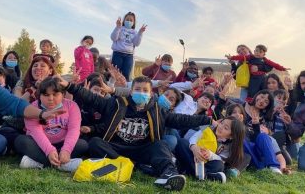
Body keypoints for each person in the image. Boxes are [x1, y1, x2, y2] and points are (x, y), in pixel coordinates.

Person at [63, 75, 213, 191]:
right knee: (95, 143)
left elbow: (183, 120)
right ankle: (134, 165)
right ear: (131, 91)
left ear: (150, 93)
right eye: (137, 89)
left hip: (141, 149)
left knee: (160, 145)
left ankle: (169, 174)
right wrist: (69, 85)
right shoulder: (116, 104)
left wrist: (208, 120)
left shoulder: (157, 110)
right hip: (116, 147)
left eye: (145, 90)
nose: (141, 93)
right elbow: (92, 98)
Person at [15, 77, 88, 172]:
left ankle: (38, 163)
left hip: (62, 143)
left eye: (55, 94)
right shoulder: (33, 107)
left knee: (83, 145)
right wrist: (49, 151)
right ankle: (62, 165)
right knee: (21, 141)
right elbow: (36, 132)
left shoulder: (72, 106)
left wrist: (66, 150)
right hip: (39, 145)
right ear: (39, 95)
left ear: (63, 94)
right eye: (46, 95)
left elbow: (74, 130)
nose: (50, 98)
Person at [174, 117, 246, 183]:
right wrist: (194, 148)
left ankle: (189, 171)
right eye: (221, 123)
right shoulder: (208, 129)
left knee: (219, 165)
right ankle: (206, 176)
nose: (221, 127)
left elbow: (221, 159)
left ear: (232, 136)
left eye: (226, 128)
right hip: (191, 153)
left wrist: (210, 155)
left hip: (205, 162)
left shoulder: (228, 147)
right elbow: (194, 137)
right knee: (182, 142)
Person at [110, 12, 147, 81]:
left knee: (126, 74)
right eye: (127, 19)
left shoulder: (135, 32)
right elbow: (113, 38)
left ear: (133, 23)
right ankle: (112, 88)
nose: (129, 21)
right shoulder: (120, 28)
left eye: (131, 20)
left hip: (129, 56)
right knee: (115, 73)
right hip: (118, 53)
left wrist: (140, 33)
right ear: (124, 20)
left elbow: (136, 43)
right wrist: (117, 27)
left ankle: (124, 89)